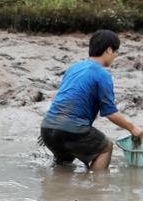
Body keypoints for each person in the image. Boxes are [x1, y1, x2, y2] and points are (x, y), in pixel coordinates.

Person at [39, 29, 142, 169]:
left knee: (64, 161)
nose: (115, 56)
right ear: (109, 50)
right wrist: (133, 128)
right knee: (105, 147)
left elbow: (62, 97)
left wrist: (52, 130)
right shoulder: (102, 74)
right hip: (71, 129)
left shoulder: (74, 67)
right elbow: (110, 113)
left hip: (47, 128)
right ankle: (96, 187)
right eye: (116, 52)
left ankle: (58, 187)